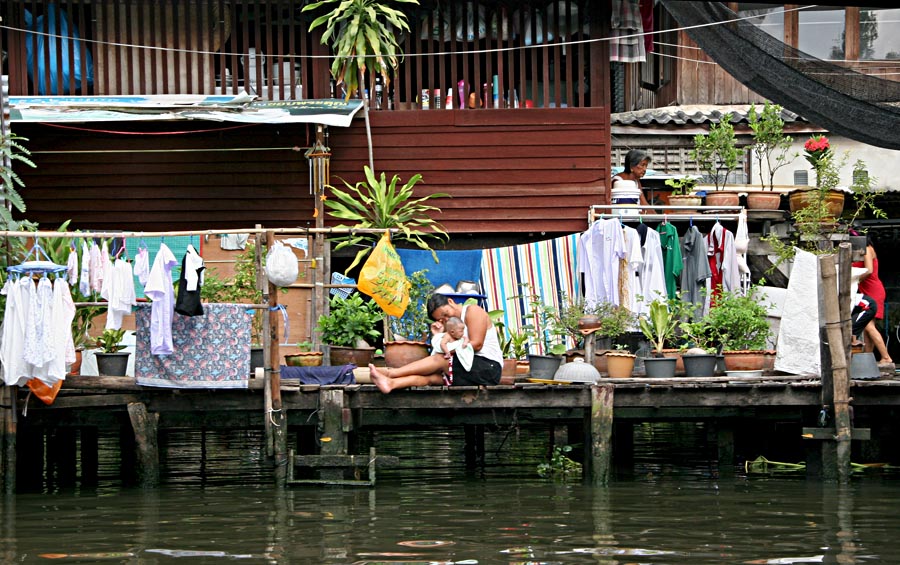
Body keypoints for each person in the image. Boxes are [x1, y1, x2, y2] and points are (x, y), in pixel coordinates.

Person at [369, 294, 503, 393]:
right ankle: (391, 383)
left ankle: (391, 374)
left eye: (446, 313)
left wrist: (447, 351)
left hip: (489, 368)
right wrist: (438, 335)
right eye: (442, 319)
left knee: (440, 359)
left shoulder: (472, 311)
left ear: (450, 302)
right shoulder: (450, 326)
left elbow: (477, 344)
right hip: (468, 368)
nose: (446, 319)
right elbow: (445, 349)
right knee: (430, 378)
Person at [852, 233, 893, 368]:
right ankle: (867, 359)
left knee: (869, 326)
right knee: (867, 328)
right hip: (866, 289)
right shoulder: (859, 250)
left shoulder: (867, 249)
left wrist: (854, 280)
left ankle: (886, 357)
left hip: (873, 289)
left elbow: (869, 270)